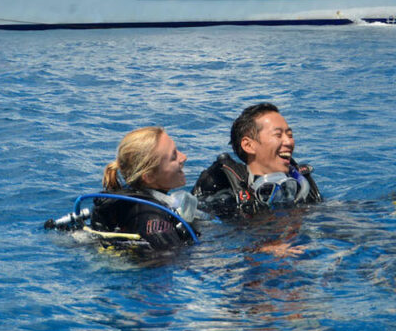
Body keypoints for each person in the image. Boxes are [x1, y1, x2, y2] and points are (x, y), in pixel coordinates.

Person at [192, 102, 321, 217]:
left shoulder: (301, 187)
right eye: (278, 135)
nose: (289, 142)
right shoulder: (227, 198)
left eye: (290, 135)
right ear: (248, 145)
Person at [89, 126, 200, 250]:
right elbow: (168, 261)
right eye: (173, 157)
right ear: (149, 177)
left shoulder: (132, 200)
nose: (184, 157)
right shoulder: (151, 215)